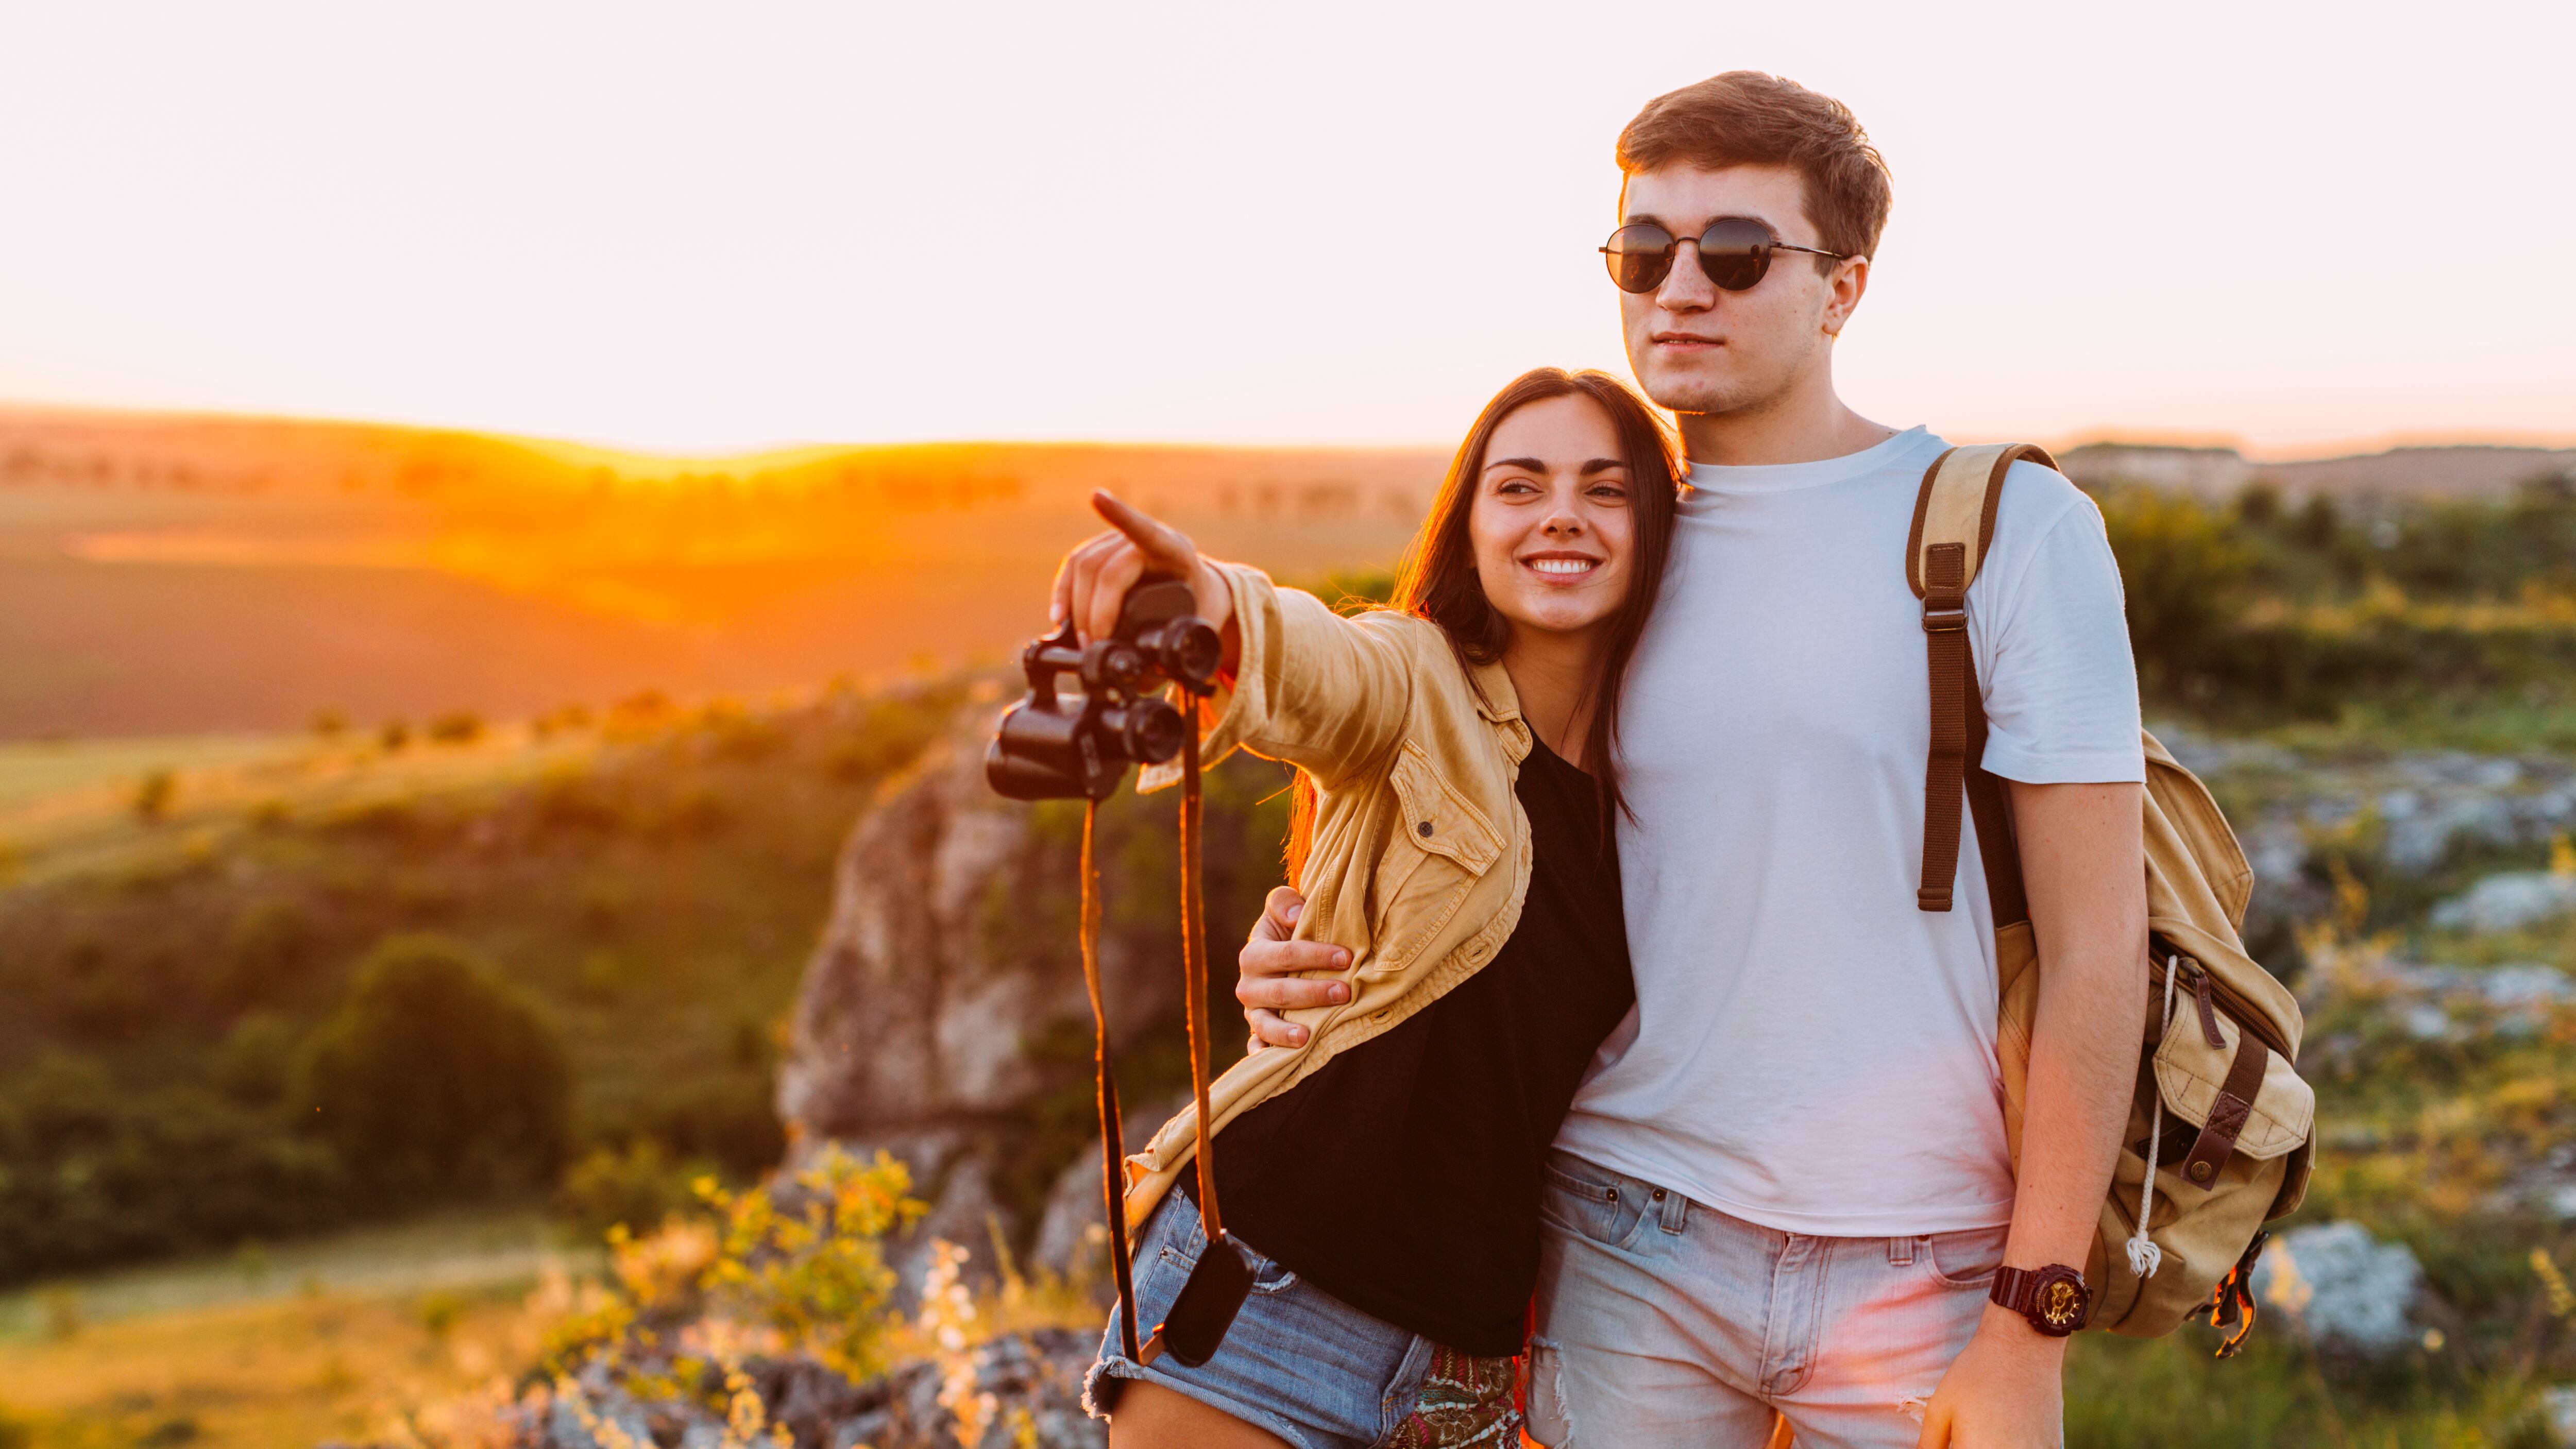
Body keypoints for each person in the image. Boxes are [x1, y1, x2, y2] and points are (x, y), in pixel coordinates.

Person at [1236, 73, 2148, 1448]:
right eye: (1641, 250)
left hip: (1928, 1256)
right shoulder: (1598, 541)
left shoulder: (2010, 527)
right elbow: (1425, 759)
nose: (1679, 287)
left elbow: (2098, 946)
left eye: (1735, 254)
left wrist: (2033, 1318)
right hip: (1623, 1231)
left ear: (1843, 287)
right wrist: (1309, 931)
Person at [1054, 368, 1680, 1449]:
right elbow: (1322, 664)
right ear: (1472, 528)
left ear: (1657, 525)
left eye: (1605, 488)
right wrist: (1210, 601)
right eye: (1519, 487)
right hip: (1255, 1309)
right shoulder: (1422, 682)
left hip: (1467, 1378)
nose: (1561, 515)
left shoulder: (1678, 791)